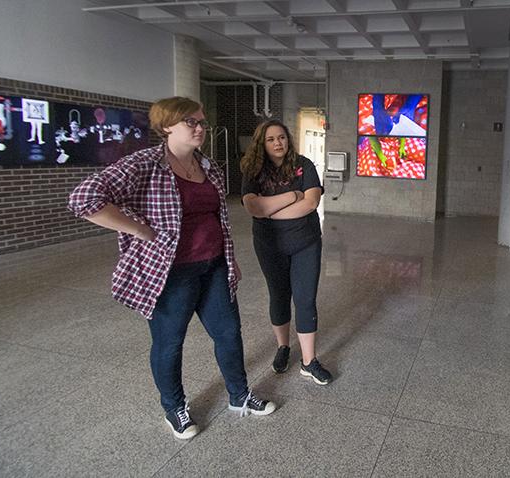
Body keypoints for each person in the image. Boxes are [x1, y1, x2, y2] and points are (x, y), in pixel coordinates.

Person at [67, 96, 276, 440]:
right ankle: (174, 408)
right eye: (190, 123)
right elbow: (83, 199)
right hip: (170, 273)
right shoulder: (143, 164)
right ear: (167, 126)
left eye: (202, 123)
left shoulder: (209, 167)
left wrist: (230, 259)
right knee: (169, 344)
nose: (200, 129)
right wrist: (137, 229)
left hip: (213, 267)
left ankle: (240, 396)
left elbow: (218, 220)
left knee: (228, 334)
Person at [240, 119, 333, 385]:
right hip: (270, 246)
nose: (278, 143)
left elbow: (311, 203)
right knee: (279, 296)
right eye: (271, 139)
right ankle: (283, 348)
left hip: (306, 242)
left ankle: (309, 361)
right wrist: (293, 196)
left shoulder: (303, 165)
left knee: (305, 299)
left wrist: (270, 210)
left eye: (281, 137)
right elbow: (253, 208)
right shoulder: (253, 170)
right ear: (262, 143)